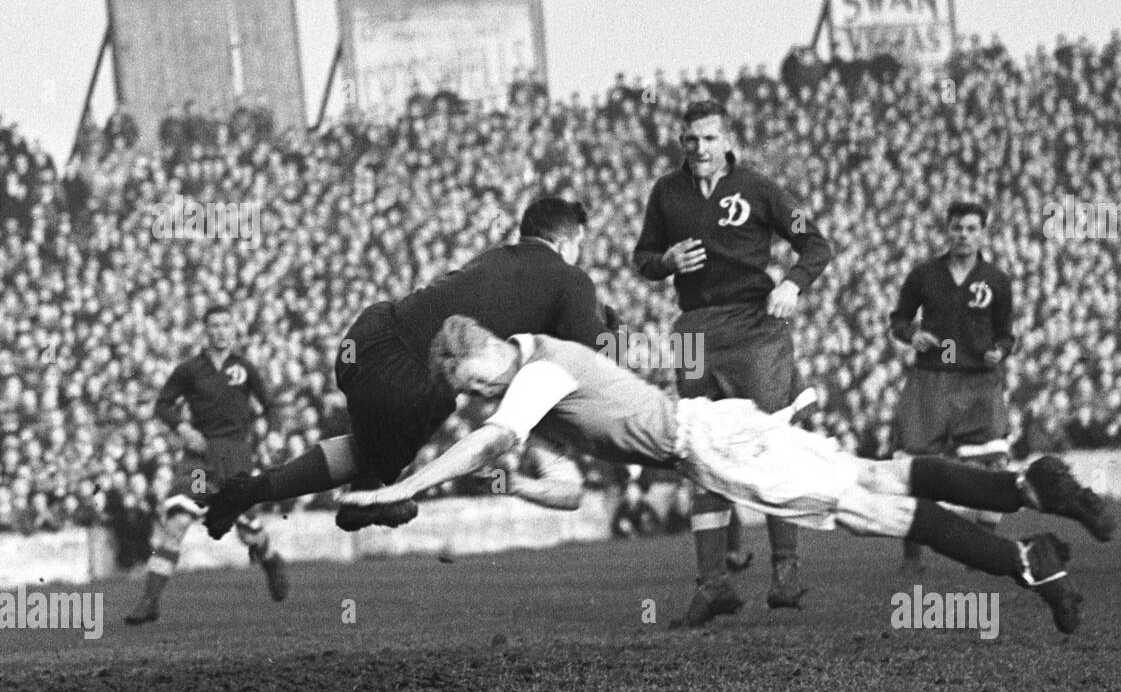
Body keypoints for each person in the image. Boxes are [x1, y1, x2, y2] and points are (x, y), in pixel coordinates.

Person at [339, 317, 1117, 634]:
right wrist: (505, 483)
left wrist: (400, 489)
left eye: (468, 383)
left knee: (863, 508)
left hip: (713, 446)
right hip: (714, 430)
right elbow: (567, 489)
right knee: (876, 477)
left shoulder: (535, 373)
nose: (472, 396)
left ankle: (1031, 564)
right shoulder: (532, 359)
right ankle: (1026, 488)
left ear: (474, 357)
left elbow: (488, 440)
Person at [201, 197, 612, 538]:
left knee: (364, 449)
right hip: (408, 382)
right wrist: (613, 327)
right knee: (434, 399)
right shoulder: (571, 279)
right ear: (566, 242)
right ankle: (367, 499)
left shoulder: (494, 258)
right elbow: (590, 357)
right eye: (580, 244)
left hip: (367, 337)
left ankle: (251, 490)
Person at [633, 99, 832, 626]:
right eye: (690, 140)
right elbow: (642, 257)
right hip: (694, 328)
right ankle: (712, 583)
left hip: (753, 325)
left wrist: (792, 283)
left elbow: (816, 244)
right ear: (681, 143)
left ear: (725, 139)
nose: (699, 148)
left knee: (768, 443)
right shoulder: (666, 192)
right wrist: (666, 262)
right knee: (700, 453)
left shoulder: (758, 187)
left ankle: (785, 572)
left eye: (708, 138)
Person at [124, 303, 288, 624]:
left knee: (248, 533)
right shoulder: (190, 369)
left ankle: (270, 560)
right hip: (200, 461)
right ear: (205, 330)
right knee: (177, 522)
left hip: (235, 457)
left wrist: (276, 434)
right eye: (214, 326)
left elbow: (271, 406)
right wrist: (183, 428)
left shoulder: (245, 368)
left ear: (234, 329)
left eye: (226, 325)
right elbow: (163, 404)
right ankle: (149, 601)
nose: (220, 331)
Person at [888, 200, 1017, 573]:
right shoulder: (924, 275)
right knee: (916, 466)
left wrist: (999, 351)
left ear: (982, 233)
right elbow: (898, 321)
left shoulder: (996, 280)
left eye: (971, 229)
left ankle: (983, 552)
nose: (963, 235)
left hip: (978, 379)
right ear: (947, 230)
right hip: (932, 378)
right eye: (957, 228)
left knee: (995, 464)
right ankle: (912, 557)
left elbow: (1006, 333)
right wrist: (913, 336)